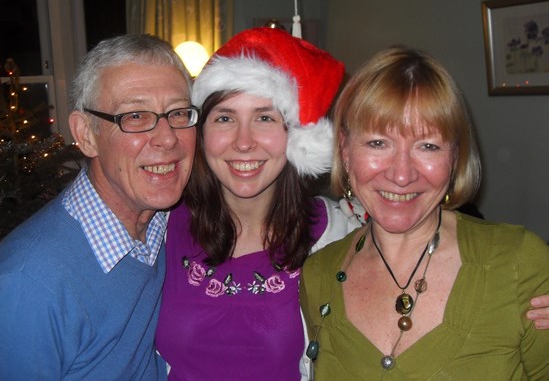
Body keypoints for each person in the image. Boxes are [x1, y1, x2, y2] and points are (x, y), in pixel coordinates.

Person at [300, 46, 549, 379]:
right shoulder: (318, 274)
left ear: (454, 157)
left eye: (428, 146)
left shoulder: (518, 263)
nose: (402, 175)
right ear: (345, 150)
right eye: (378, 143)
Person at [154, 27, 359, 380]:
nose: (243, 142)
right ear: (201, 134)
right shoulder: (160, 228)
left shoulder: (338, 238)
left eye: (264, 118)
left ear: (295, 135)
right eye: (224, 118)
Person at [0, 34, 197, 379]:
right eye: (135, 116)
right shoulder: (26, 284)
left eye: (178, 113)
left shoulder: (164, 220)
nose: (168, 138)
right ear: (86, 134)